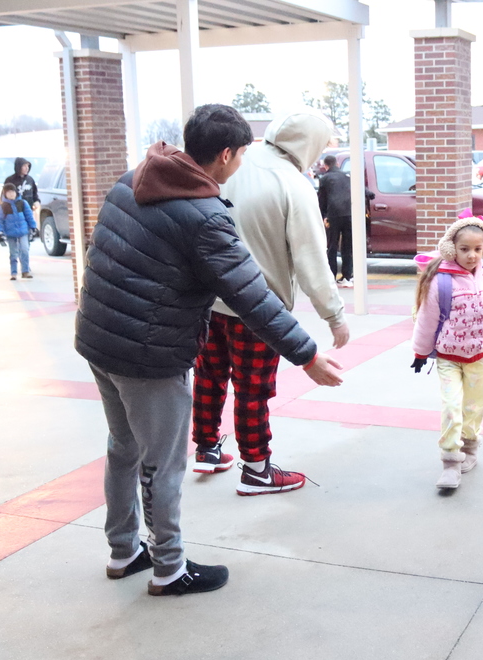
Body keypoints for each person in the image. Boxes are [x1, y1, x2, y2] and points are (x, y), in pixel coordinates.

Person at [75, 104, 344, 597]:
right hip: (149, 354)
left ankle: (123, 551)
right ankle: (169, 568)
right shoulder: (202, 215)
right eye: (240, 154)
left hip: (100, 338)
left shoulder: (134, 177)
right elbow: (253, 295)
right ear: (224, 154)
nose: (242, 162)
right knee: (162, 462)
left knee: (124, 447)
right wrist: (307, 354)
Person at [192, 110, 350, 495]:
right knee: (253, 389)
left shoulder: (231, 162)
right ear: (310, 145)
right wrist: (335, 316)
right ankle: (257, 469)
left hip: (208, 299)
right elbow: (312, 259)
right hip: (258, 307)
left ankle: (207, 448)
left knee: (209, 376)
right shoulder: (291, 183)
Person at [412, 214, 483, 489]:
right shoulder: (441, 280)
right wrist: (421, 352)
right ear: (452, 249)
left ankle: (471, 449)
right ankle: (451, 462)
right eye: (465, 249)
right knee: (452, 407)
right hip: (448, 358)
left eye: (477, 249)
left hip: (480, 356)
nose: (471, 255)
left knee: (473, 407)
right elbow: (427, 318)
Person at [317, 154, 354, 287]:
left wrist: (322, 216)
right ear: (337, 164)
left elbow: (322, 199)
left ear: (326, 166)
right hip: (349, 214)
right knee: (347, 246)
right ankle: (347, 276)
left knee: (332, 246)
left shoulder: (325, 178)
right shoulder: (347, 176)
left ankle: (332, 276)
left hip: (333, 215)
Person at [0, 182, 36, 280]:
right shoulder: (2, 206)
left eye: (13, 191)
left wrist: (33, 227)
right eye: (8, 192)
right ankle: (13, 273)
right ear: (5, 194)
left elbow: (29, 216)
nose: (11, 194)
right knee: (13, 253)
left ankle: (25, 271)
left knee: (25, 249)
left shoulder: (22, 203)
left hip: (23, 231)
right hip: (10, 233)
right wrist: (0, 232)